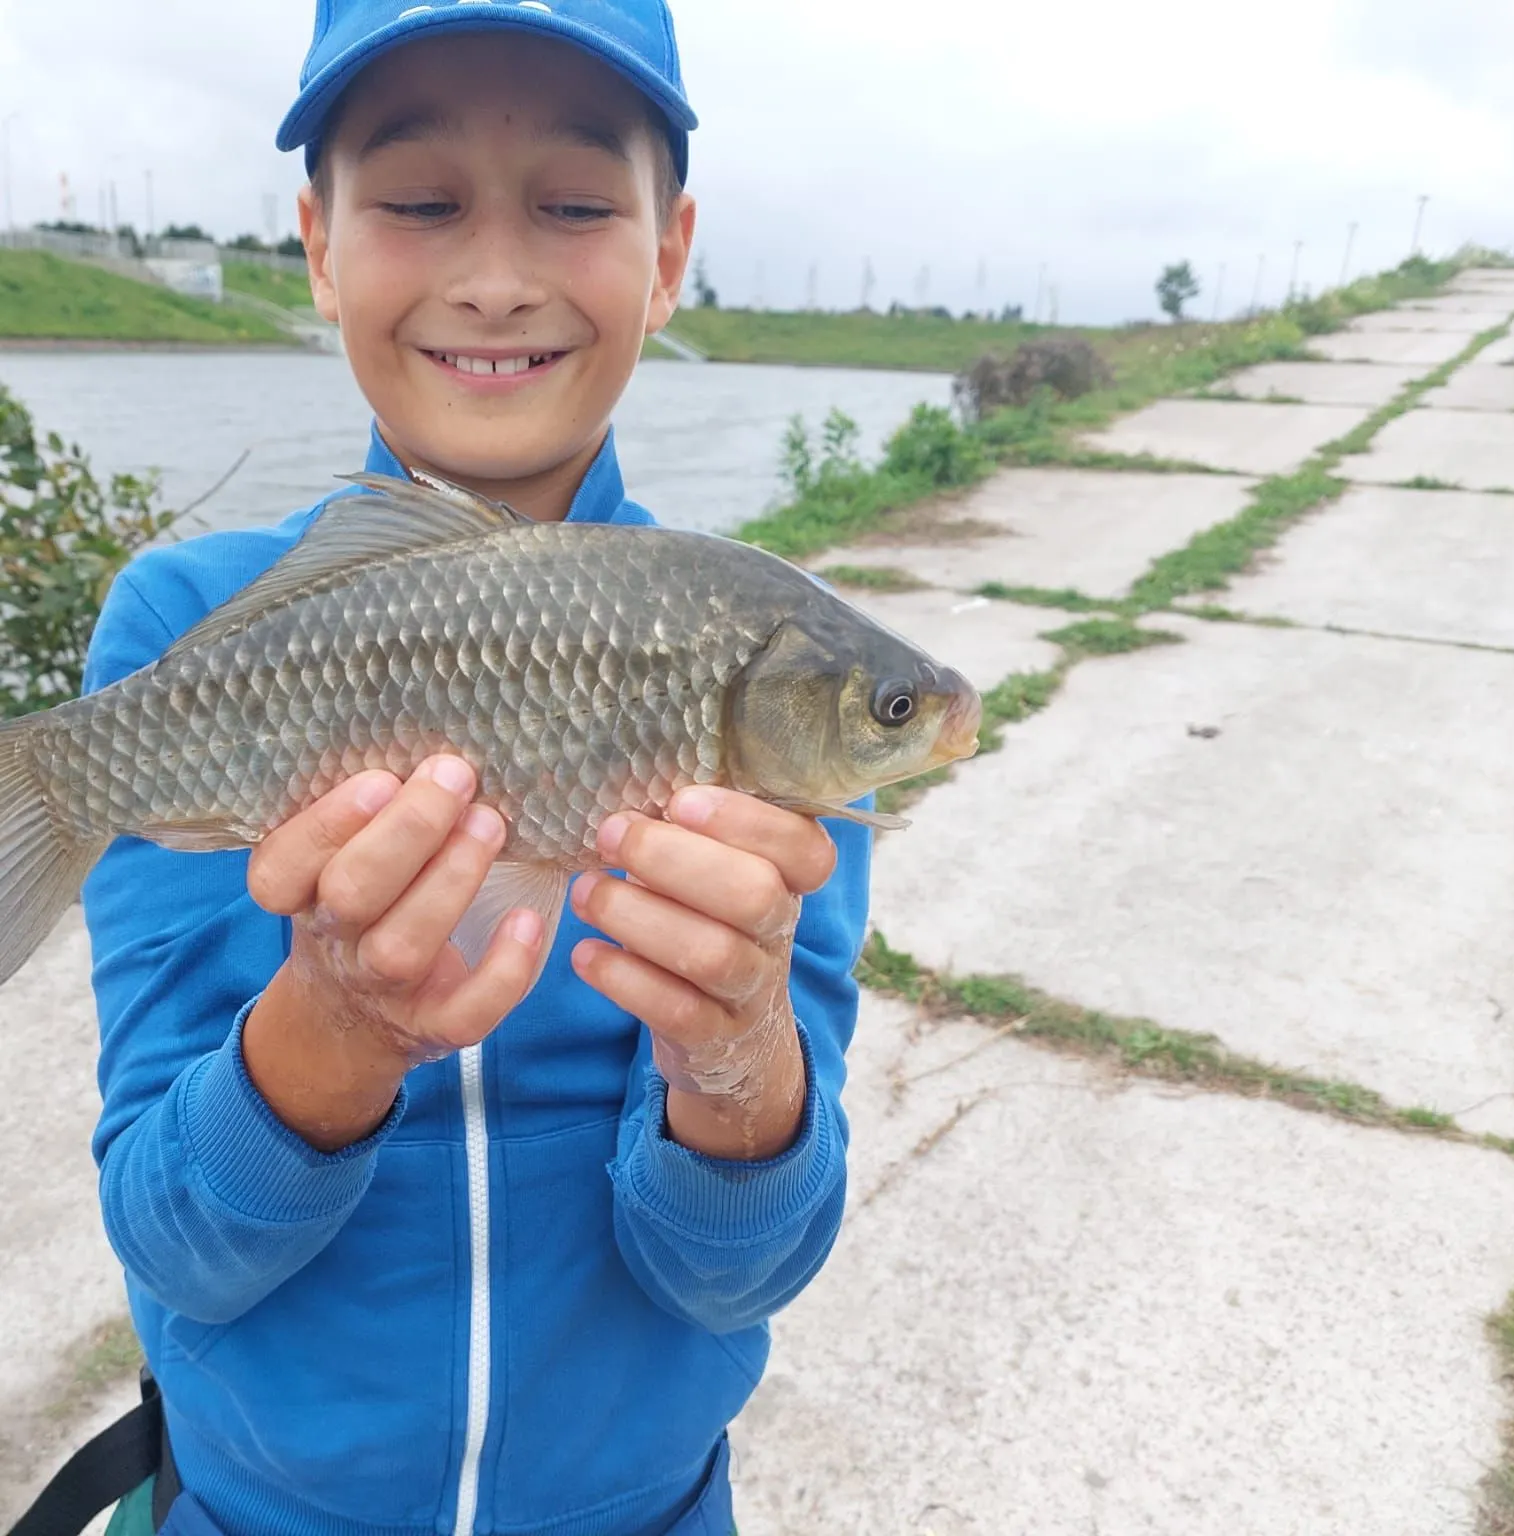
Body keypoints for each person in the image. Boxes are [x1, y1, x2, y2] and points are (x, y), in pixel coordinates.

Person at [81, 3, 871, 1532]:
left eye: (576, 205)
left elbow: (740, 1273)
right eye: (421, 201)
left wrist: (737, 1054)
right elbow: (174, 1250)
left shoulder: (772, 655)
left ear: (668, 248)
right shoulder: (182, 626)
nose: (497, 276)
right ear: (317, 241)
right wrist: (332, 1027)